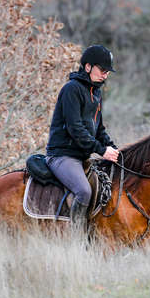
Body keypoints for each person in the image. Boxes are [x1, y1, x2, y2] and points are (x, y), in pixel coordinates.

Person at [46, 45, 119, 230]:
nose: (105, 75)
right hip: (62, 156)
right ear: (88, 67)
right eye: (102, 70)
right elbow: (75, 129)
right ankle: (75, 238)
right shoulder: (71, 89)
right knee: (84, 191)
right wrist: (102, 150)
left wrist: (114, 149)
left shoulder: (96, 93)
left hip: (82, 157)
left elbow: (99, 129)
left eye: (107, 72)